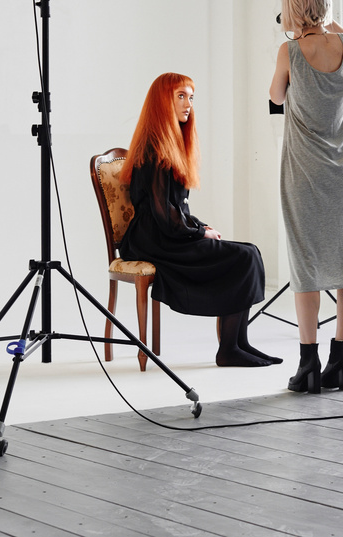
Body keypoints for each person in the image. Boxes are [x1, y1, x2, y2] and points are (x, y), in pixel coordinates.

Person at [119, 72, 279, 367]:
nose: (188, 103)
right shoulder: (154, 148)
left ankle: (239, 343)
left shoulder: (171, 143)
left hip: (165, 233)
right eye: (180, 96)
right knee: (243, 257)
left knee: (250, 252)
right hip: (154, 240)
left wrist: (200, 227)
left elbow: (175, 207)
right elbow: (161, 214)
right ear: (162, 101)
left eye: (190, 97)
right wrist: (197, 233)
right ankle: (229, 348)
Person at [269, 0, 343, 393]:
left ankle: (308, 364)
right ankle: (341, 359)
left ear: (293, 9)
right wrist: (336, 27)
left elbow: (276, 97)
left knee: (306, 266)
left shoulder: (289, 51)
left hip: (303, 173)